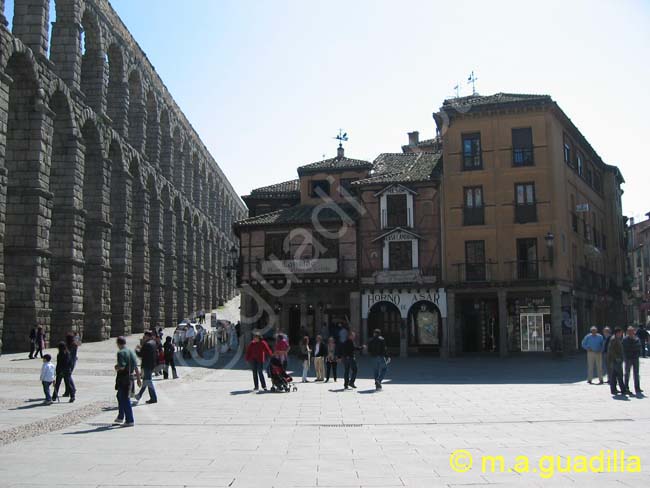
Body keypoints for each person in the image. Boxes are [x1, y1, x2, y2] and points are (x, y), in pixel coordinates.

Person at [114, 336, 141, 427]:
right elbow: (136, 367)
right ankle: (121, 416)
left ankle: (129, 420)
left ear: (118, 344)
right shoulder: (131, 352)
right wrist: (138, 378)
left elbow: (122, 366)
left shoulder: (121, 353)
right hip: (130, 378)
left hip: (123, 378)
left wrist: (116, 367)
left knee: (125, 398)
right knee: (119, 396)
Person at [134, 331, 158, 404]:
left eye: (144, 336)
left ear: (147, 336)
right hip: (152, 364)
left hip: (147, 365)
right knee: (146, 380)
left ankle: (153, 398)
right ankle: (140, 395)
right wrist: (141, 347)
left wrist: (136, 350)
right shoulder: (153, 342)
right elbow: (148, 352)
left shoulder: (147, 344)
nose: (144, 338)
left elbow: (141, 355)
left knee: (148, 381)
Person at [622, 326, 643, 396]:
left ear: (634, 331)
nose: (631, 332)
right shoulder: (625, 339)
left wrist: (638, 354)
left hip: (635, 358)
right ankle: (626, 387)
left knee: (636, 373)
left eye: (632, 331)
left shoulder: (637, 339)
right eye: (629, 331)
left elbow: (639, 347)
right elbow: (624, 349)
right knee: (627, 373)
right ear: (627, 332)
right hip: (628, 358)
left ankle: (637, 387)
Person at [606, 327, 626, 395]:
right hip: (615, 360)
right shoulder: (614, 339)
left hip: (614, 360)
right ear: (617, 333)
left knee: (614, 375)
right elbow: (611, 350)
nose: (621, 334)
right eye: (621, 332)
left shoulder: (616, 338)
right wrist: (617, 357)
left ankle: (613, 389)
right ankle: (623, 389)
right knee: (620, 375)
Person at [62, 332, 79, 397]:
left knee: (67, 376)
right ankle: (69, 390)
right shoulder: (75, 344)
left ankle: (71, 390)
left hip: (68, 362)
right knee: (68, 376)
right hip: (73, 361)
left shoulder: (68, 345)